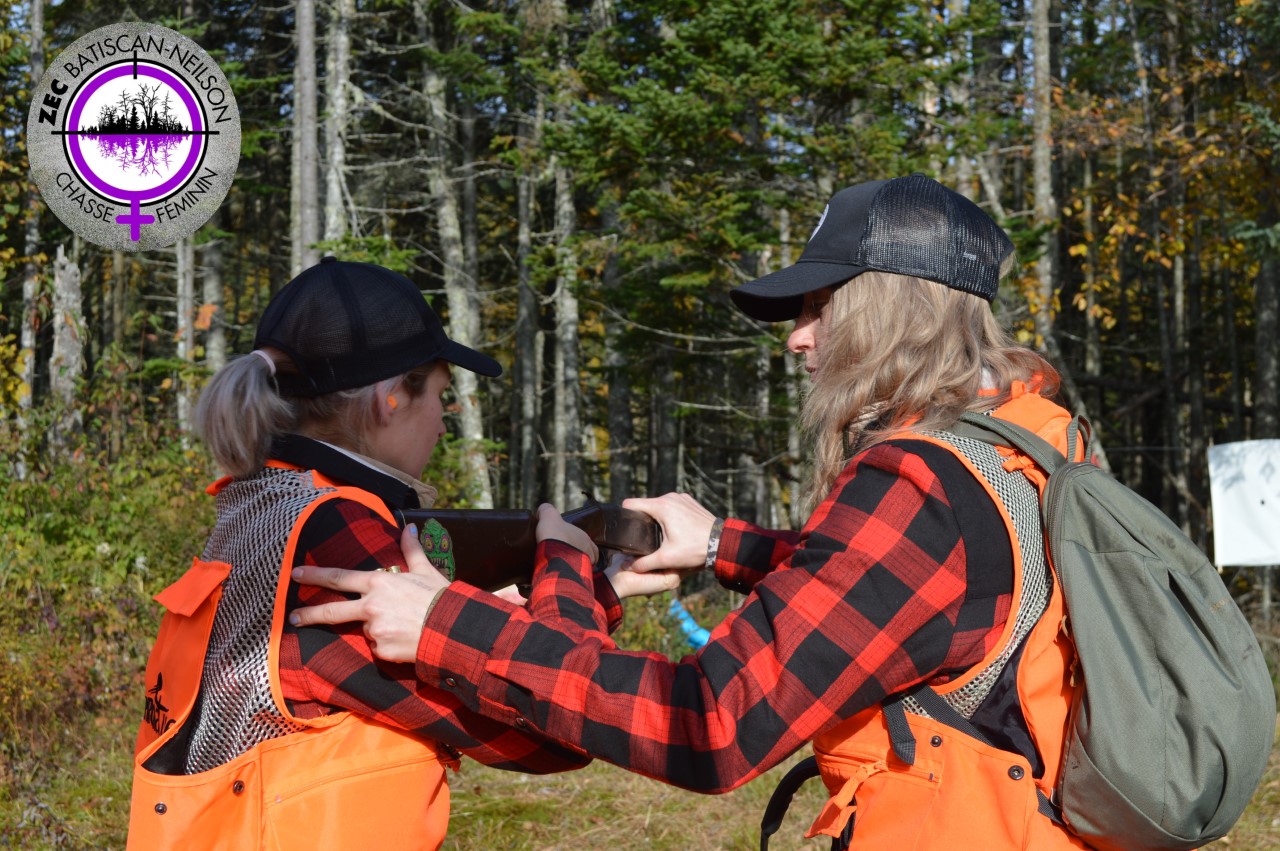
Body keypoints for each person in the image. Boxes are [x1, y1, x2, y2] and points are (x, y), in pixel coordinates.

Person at [289, 175, 1090, 849]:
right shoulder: (1029, 444)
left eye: (817, 305)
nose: (799, 339)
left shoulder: (917, 489)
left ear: (885, 306)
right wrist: (718, 544)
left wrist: (446, 625)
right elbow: (903, 596)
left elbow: (712, 723)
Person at [126, 257, 674, 851]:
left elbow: (434, 659)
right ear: (390, 398)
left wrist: (600, 590)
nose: (444, 423)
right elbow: (557, 730)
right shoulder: (334, 535)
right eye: (440, 394)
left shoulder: (263, 502)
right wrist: (563, 564)